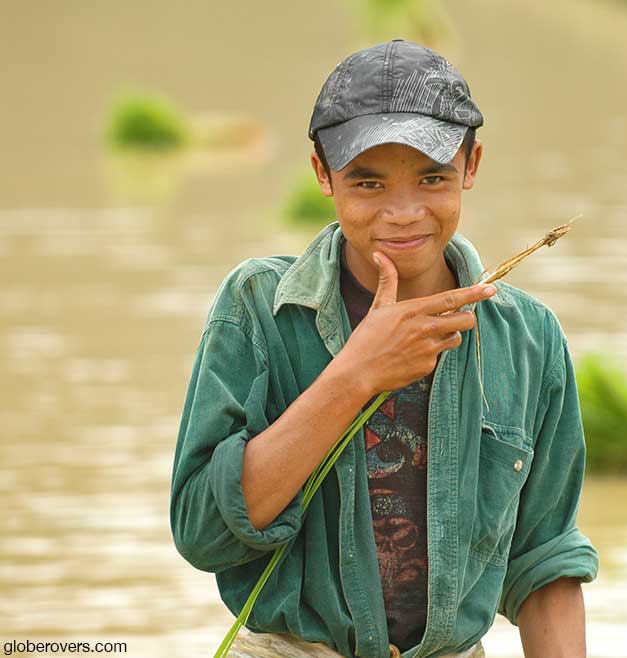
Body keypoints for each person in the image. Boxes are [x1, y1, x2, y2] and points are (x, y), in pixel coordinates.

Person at [170, 39, 599, 658]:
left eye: (432, 179)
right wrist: (355, 375)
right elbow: (203, 534)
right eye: (368, 183)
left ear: (471, 166)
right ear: (323, 174)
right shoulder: (258, 309)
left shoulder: (527, 338)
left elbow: (545, 562)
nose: (403, 213)